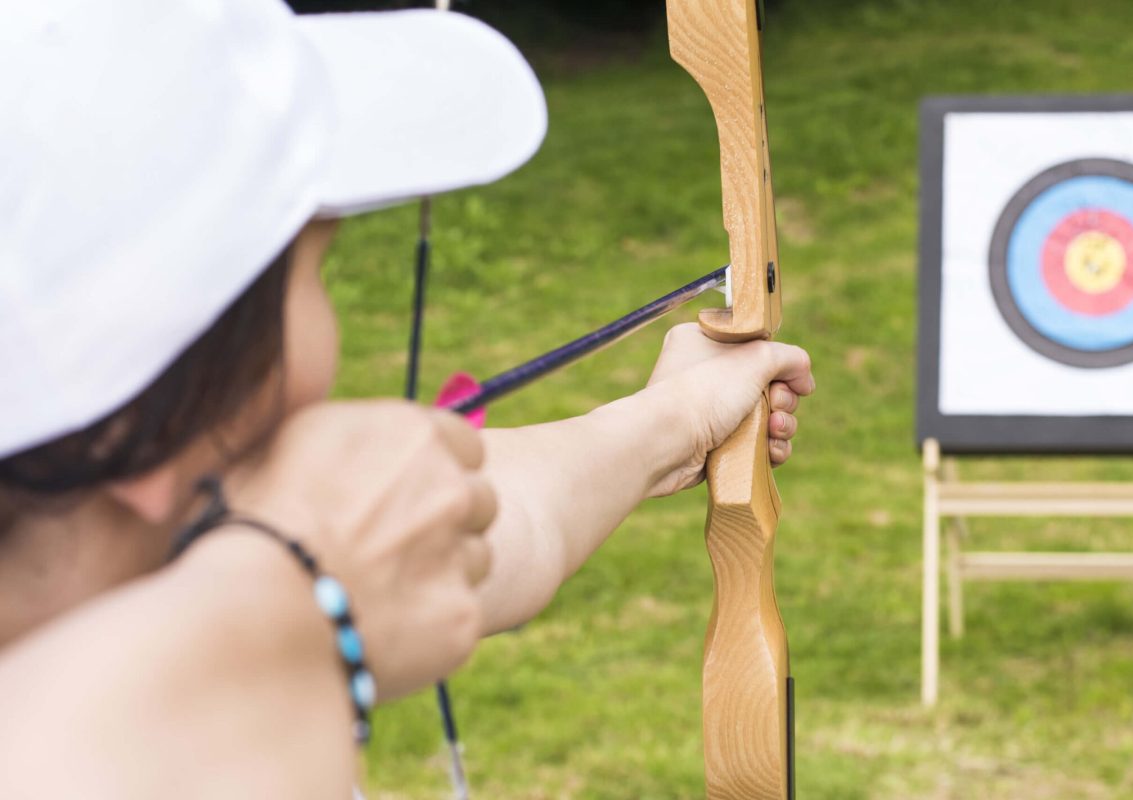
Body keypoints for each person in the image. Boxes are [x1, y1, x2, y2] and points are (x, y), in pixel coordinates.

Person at [0, 1, 815, 797]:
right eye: (317, 268)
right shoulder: (164, 683)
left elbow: (487, 517)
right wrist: (299, 601)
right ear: (156, 405)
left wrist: (673, 418)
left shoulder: (189, 539)